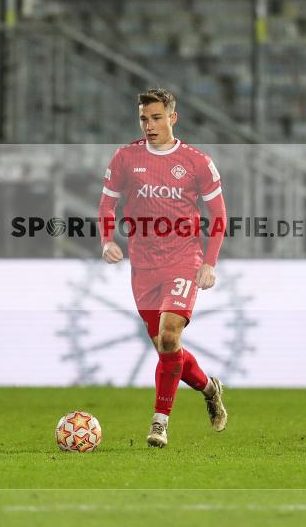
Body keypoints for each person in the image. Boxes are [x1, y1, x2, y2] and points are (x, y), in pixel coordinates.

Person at [99, 88, 228, 448]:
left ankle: (159, 424)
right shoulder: (126, 158)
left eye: (156, 118)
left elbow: (218, 215)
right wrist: (107, 241)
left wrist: (209, 263)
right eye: (144, 119)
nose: (149, 125)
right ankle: (208, 388)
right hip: (144, 267)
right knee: (167, 350)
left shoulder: (197, 162)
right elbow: (107, 206)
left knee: (171, 337)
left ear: (173, 118)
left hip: (183, 260)